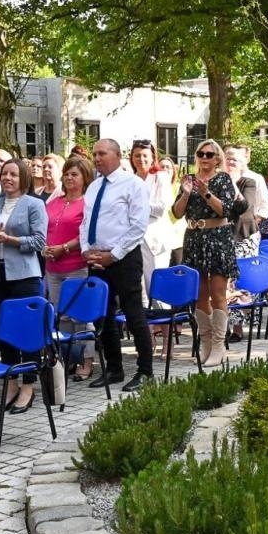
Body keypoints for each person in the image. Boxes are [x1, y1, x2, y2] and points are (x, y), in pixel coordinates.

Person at [83, 139, 156, 390]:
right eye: (95, 154)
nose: (97, 158)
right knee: (103, 316)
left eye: (102, 153)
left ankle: (145, 371)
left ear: (117, 155)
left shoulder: (132, 184)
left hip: (123, 259)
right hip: (97, 259)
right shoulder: (93, 187)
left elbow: (138, 226)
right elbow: (86, 222)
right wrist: (86, 250)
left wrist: (113, 255)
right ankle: (114, 368)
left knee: (134, 313)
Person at [0, 156, 48, 413]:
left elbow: (39, 242)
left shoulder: (33, 204)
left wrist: (8, 238)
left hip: (24, 276)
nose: (8, 178)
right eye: (5, 174)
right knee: (4, 330)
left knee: (26, 331)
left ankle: (29, 385)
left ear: (24, 178)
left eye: (14, 174)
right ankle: (10, 383)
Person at [173, 139, 244, 367]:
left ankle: (218, 345)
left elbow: (227, 210)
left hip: (217, 238)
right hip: (194, 238)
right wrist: (185, 194)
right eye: (201, 154)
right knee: (200, 294)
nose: (204, 158)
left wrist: (205, 193)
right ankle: (204, 343)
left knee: (218, 294)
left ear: (217, 159)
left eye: (209, 154)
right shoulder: (189, 180)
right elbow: (175, 213)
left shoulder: (222, 179)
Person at [45, 156, 95, 380]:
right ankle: (67, 359)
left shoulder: (87, 203)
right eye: (66, 173)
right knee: (61, 316)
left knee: (79, 317)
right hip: (52, 267)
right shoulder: (54, 202)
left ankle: (85, 360)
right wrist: (45, 248)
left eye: (74, 174)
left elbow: (84, 235)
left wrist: (64, 248)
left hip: (76, 265)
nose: (69, 178)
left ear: (85, 177)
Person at [130, 140, 174, 298]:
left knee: (157, 285)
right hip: (134, 239)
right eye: (137, 156)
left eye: (144, 156)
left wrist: (138, 205)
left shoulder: (160, 177)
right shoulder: (130, 180)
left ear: (152, 157)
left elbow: (162, 209)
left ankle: (163, 320)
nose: (141, 159)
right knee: (140, 288)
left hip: (155, 240)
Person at [226, 147, 265, 262]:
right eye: (227, 159)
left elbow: (245, 207)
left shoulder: (249, 182)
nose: (230, 162)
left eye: (234, 160)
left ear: (242, 165)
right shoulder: (217, 182)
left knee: (243, 275)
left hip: (244, 234)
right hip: (223, 234)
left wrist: (231, 182)